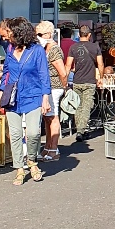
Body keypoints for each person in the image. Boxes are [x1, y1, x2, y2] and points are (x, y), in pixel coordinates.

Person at [0, 16, 50, 185]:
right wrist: (2, 91)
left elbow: (44, 74)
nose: (7, 35)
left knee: (33, 133)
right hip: (13, 96)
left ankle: (32, 162)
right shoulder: (9, 48)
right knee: (15, 134)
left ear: (19, 32)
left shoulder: (36, 50)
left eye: (10, 31)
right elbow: (6, 71)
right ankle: (19, 169)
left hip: (33, 95)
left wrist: (46, 98)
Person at [36, 20, 69, 161]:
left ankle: (54, 149)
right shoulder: (45, 48)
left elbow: (62, 72)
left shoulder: (54, 49)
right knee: (48, 117)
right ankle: (48, 147)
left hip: (55, 87)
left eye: (40, 34)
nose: (37, 36)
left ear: (49, 34)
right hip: (47, 87)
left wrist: (64, 86)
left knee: (53, 117)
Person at [64, 24, 104, 140]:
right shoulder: (95, 47)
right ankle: (81, 131)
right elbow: (100, 64)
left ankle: (80, 129)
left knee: (78, 105)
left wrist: (65, 80)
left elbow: (68, 65)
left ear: (79, 35)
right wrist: (101, 78)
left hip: (77, 81)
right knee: (86, 106)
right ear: (89, 35)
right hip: (90, 81)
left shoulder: (73, 47)